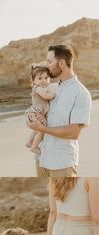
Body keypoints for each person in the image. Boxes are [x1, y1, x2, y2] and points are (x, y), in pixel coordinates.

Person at [27, 44, 91, 177]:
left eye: (50, 61)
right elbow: (39, 108)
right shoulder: (51, 87)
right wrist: (31, 117)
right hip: (41, 159)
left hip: (62, 164)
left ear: (61, 63)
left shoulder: (81, 93)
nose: (47, 65)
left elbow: (73, 132)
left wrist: (41, 128)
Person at [25, 64, 56, 154]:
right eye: (40, 78)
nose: (43, 80)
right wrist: (54, 94)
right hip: (37, 113)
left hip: (37, 113)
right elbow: (46, 96)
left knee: (37, 129)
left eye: (46, 78)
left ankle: (29, 142)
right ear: (33, 81)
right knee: (42, 130)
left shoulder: (42, 88)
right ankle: (34, 147)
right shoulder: (38, 88)